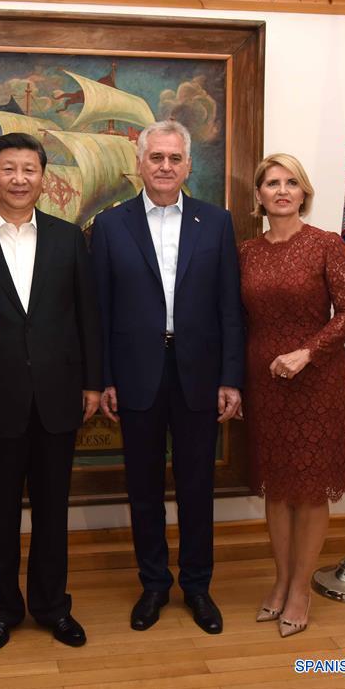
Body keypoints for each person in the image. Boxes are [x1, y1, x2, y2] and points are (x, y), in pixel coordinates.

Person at [0, 132, 103, 653]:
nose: (18, 179)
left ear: (42, 177)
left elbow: (87, 318)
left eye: (29, 169)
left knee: (54, 510)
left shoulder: (67, 238)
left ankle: (54, 606)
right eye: (8, 169)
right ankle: (2, 610)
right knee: (0, 512)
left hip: (59, 396)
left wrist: (93, 383)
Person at [91, 120, 244, 636]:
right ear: (139, 163)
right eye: (155, 157)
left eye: (174, 159)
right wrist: (106, 376)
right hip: (137, 375)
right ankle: (154, 583)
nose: (164, 167)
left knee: (198, 486)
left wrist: (231, 377)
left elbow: (230, 308)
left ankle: (198, 585)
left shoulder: (216, 223)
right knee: (144, 487)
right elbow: (101, 312)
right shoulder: (111, 226)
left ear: (188, 166)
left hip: (199, 374)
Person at [239, 153, 345, 637]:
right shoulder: (246, 251)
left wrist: (307, 353)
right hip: (263, 382)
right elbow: (238, 318)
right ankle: (280, 580)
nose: (282, 190)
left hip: (317, 381)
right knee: (276, 486)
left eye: (292, 182)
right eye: (272, 182)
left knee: (310, 491)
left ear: (304, 193)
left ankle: (301, 590)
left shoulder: (327, 245)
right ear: (259, 196)